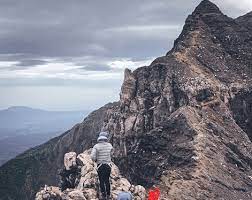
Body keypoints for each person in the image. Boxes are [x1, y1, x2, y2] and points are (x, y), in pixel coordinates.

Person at [91, 131, 113, 200]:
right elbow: (112, 154)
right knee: (107, 180)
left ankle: (103, 195)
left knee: (101, 180)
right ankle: (108, 194)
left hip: (100, 165)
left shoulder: (96, 146)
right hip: (108, 165)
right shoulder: (110, 145)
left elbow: (92, 157)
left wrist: (96, 160)